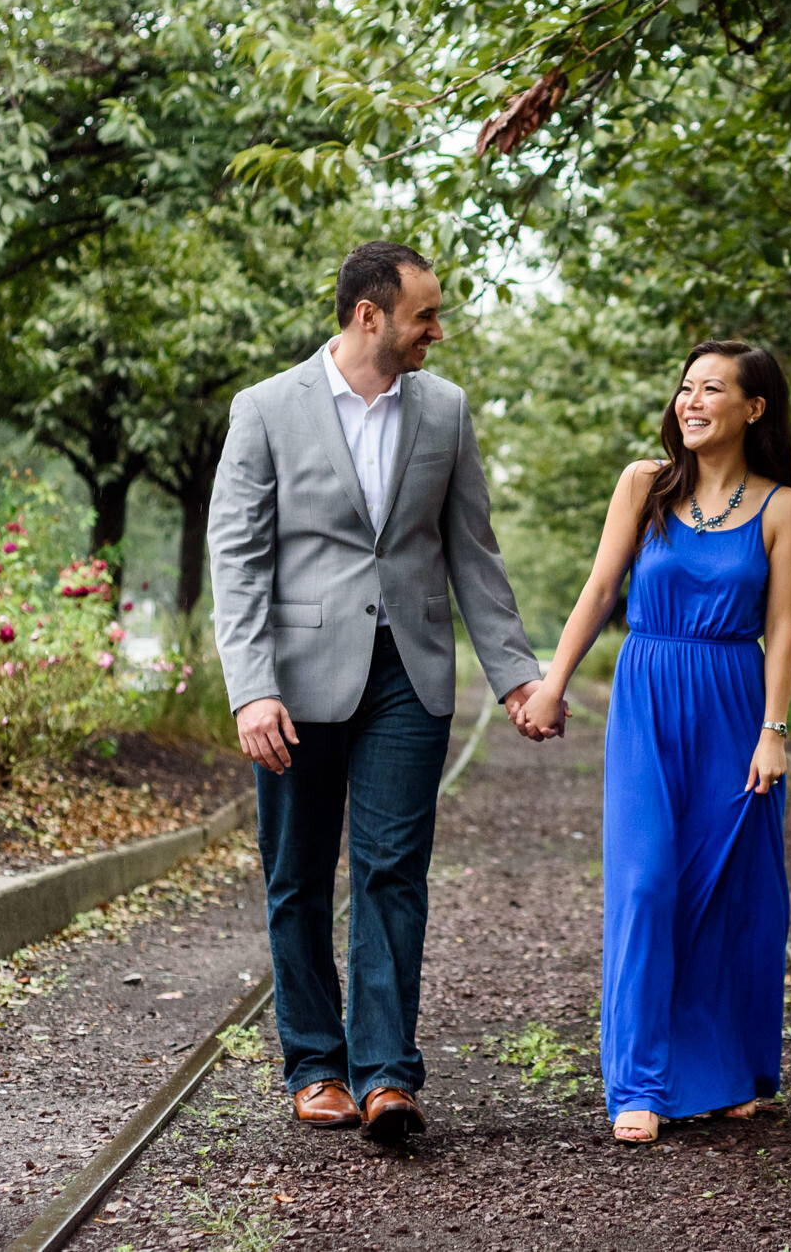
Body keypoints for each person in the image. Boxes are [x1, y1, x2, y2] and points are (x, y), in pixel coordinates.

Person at [208, 241, 544, 1142]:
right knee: (300, 873)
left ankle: (388, 1071)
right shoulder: (266, 409)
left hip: (410, 671)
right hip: (297, 681)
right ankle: (316, 1063)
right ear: (370, 315)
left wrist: (514, 673)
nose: (438, 331)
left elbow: (472, 552)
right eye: (425, 315)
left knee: (393, 871)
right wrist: (251, 688)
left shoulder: (447, 410)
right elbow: (236, 560)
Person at [523, 339, 791, 1143]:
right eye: (686, 387)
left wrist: (773, 732)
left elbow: (783, 627)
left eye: (711, 389)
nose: (691, 401)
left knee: (729, 895)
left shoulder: (782, 506)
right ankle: (639, 1081)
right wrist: (554, 681)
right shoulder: (643, 485)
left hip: (733, 703)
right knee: (647, 883)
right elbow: (602, 586)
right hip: (648, 699)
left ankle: (721, 1073)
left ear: (754, 408)